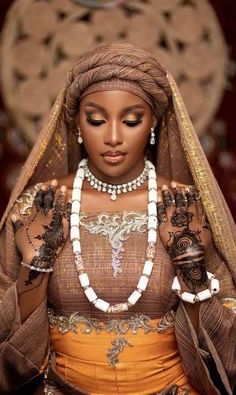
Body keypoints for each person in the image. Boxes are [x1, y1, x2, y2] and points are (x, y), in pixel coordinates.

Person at [0, 42, 235, 395]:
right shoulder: (39, 207)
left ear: (153, 121)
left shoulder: (185, 207)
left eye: (131, 120)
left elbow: (228, 349)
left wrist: (191, 269)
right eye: (96, 119)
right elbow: (8, 350)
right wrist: (36, 267)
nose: (112, 137)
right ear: (77, 122)